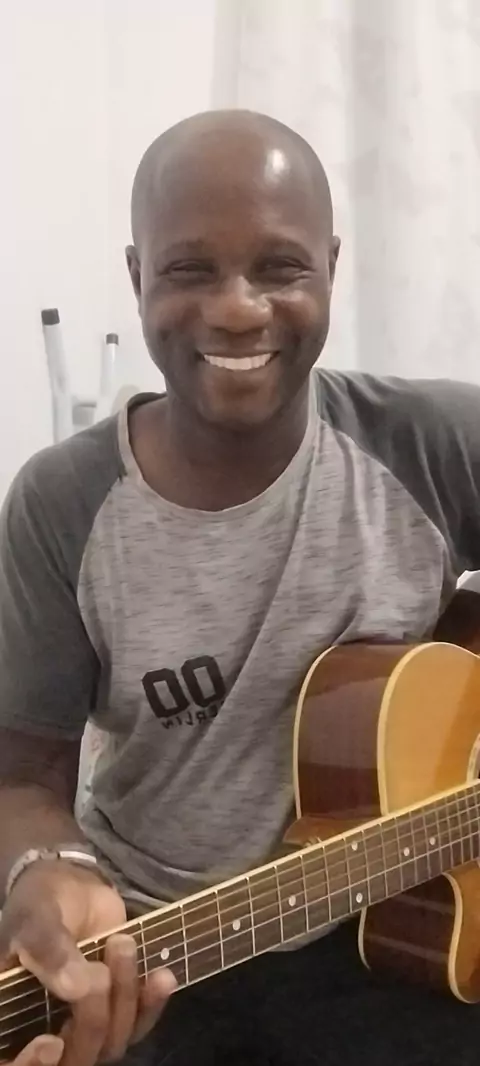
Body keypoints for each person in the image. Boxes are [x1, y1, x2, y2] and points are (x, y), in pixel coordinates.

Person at [0, 109, 480, 1066]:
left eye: (279, 267)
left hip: (399, 934)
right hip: (159, 955)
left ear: (331, 268)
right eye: (189, 269)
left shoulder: (429, 443)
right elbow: (23, 777)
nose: (236, 309)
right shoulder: (63, 504)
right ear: (136, 277)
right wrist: (46, 867)